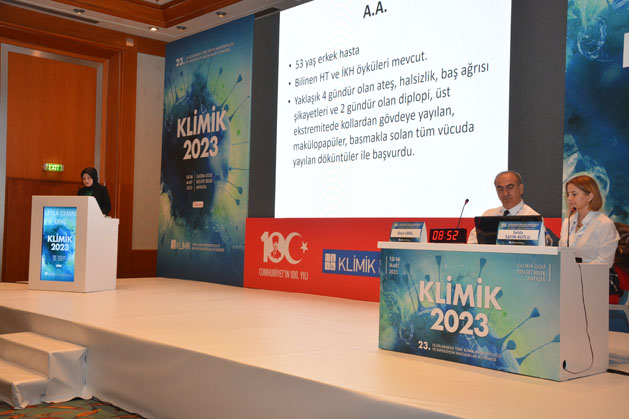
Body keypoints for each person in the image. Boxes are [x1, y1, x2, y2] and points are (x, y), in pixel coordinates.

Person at [559, 175, 619, 267]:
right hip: (568, 274)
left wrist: (576, 270)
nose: (569, 198)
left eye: (574, 194)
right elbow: (561, 255)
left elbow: (604, 263)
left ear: (589, 196)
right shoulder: (567, 222)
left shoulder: (605, 224)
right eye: (568, 194)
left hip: (594, 275)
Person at [468, 170, 542, 244]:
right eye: (500, 189)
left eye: (510, 188)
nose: (505, 194)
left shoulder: (533, 219)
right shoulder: (488, 215)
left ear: (521, 189)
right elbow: (471, 244)